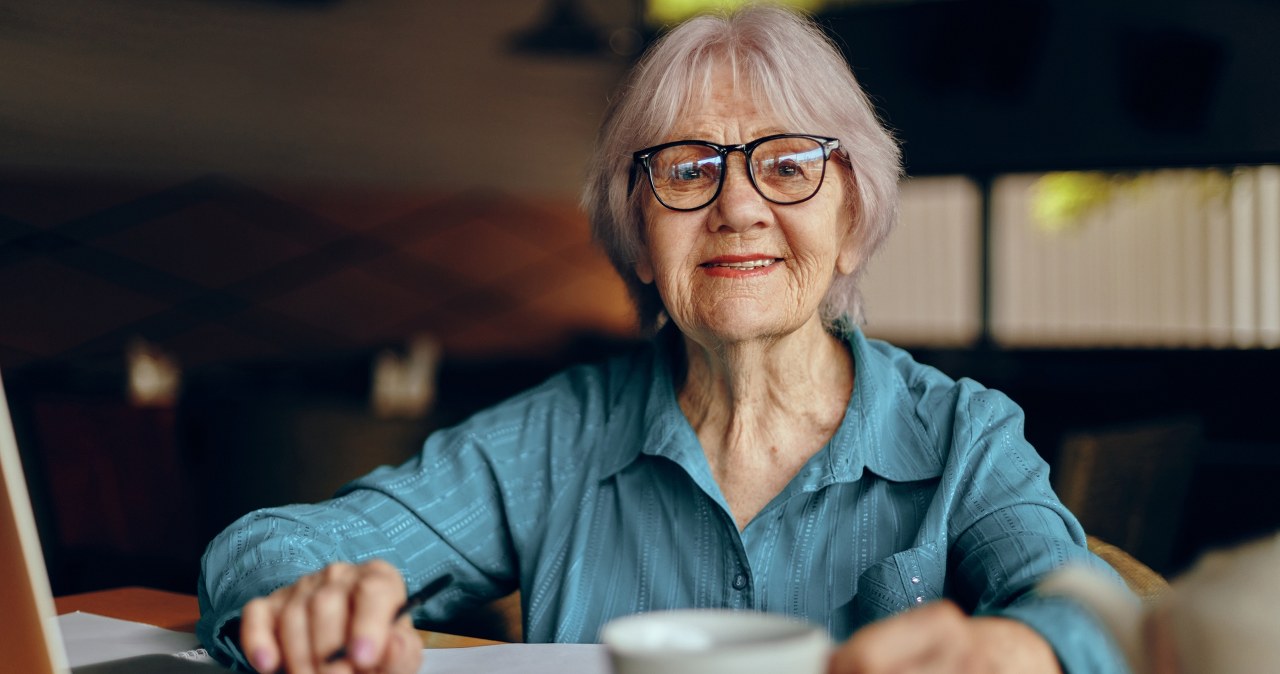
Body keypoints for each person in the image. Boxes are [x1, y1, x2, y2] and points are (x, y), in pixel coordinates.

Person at [197, 7, 1128, 674]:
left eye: (789, 164)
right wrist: (303, 600)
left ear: (853, 219)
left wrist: (1022, 645)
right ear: (640, 238)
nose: (737, 207)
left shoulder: (962, 435)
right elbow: (265, 546)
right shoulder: (554, 437)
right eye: (686, 169)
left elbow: (1093, 612)